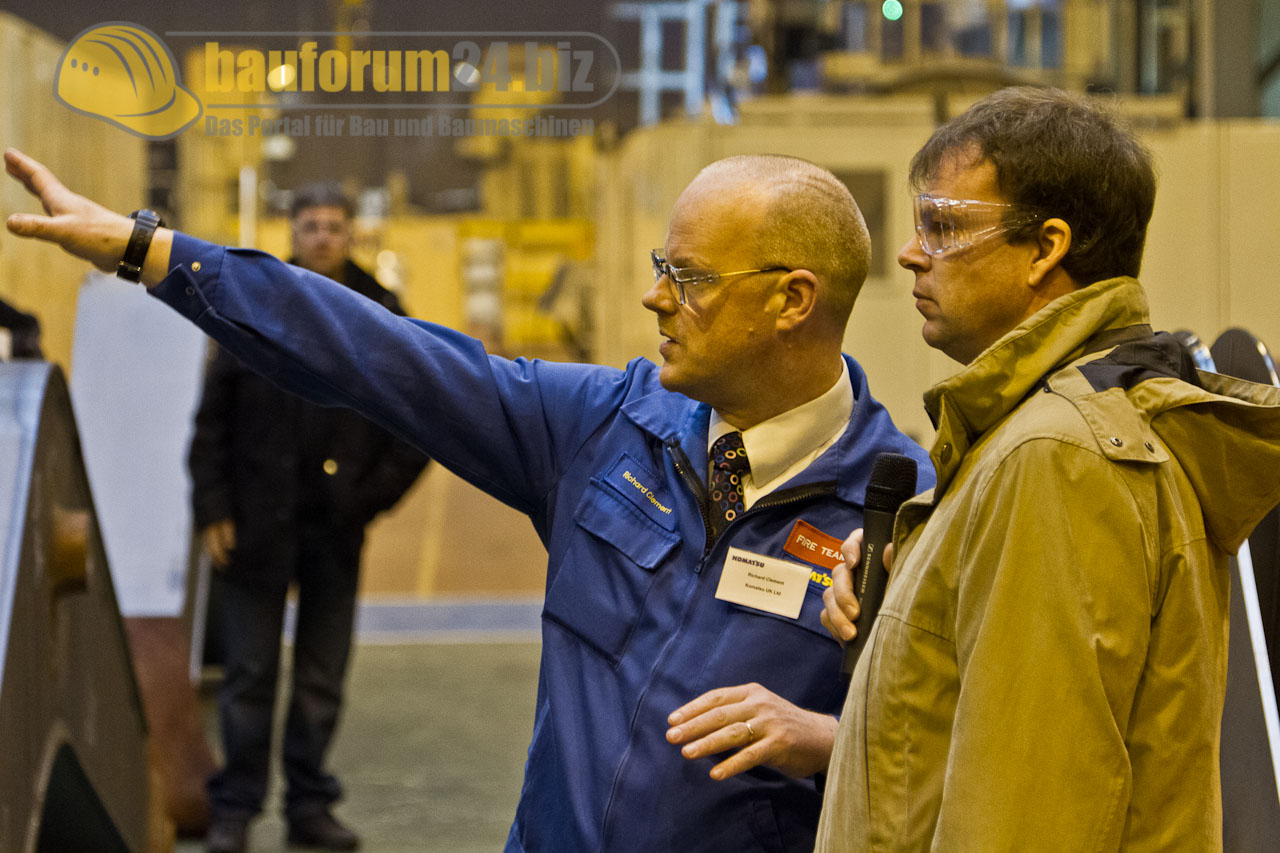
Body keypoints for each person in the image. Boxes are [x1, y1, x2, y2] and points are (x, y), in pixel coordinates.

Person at [3, 149, 931, 852]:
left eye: (688, 278)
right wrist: (152, 252)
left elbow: (964, 754)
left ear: (791, 300)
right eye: (662, 265)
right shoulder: (604, 428)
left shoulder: (908, 512)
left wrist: (834, 738)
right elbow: (377, 353)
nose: (655, 297)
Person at [816, 86, 1280, 849]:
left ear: (1045, 248)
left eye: (942, 226)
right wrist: (914, 608)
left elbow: (1025, 815)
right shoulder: (1044, 433)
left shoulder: (1057, 456)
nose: (910, 252)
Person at [189, 183, 429, 852]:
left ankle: (308, 805)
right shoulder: (250, 302)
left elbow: (418, 423)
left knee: (321, 677)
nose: (322, 236)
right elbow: (211, 418)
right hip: (255, 521)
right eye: (311, 225)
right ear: (292, 231)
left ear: (351, 234)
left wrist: (365, 498)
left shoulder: (383, 314)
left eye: (333, 225)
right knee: (249, 674)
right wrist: (212, 506)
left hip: (334, 529)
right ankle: (235, 809)